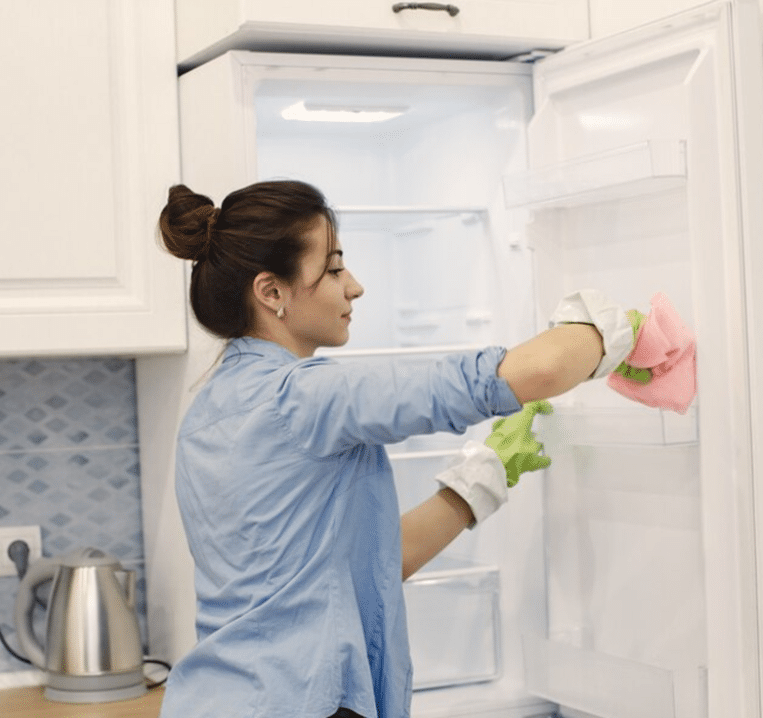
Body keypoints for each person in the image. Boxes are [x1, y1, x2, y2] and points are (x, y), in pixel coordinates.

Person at [155, 180, 635, 718]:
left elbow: (368, 564)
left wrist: (485, 475)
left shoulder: (207, 411)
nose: (354, 287)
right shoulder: (304, 397)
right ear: (272, 292)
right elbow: (532, 371)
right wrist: (617, 330)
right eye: (334, 269)